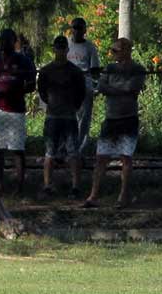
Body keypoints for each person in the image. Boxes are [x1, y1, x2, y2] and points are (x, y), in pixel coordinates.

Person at [83, 38, 146, 208]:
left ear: (126, 50)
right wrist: (120, 91)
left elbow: (132, 88)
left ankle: (123, 196)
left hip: (128, 118)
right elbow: (102, 87)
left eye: (115, 50)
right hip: (111, 118)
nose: (112, 54)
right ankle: (93, 196)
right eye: (112, 50)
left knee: (126, 158)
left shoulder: (138, 69)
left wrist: (113, 90)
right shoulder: (109, 68)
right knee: (101, 158)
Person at [0, 28, 36, 194]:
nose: (5, 43)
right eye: (3, 39)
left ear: (14, 42)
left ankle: (19, 186)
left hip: (16, 109)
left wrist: (16, 91)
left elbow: (31, 85)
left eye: (9, 40)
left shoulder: (24, 61)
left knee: (17, 149)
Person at [37, 35, 86, 199]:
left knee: (73, 152)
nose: (60, 51)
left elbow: (81, 92)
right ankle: (47, 185)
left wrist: (73, 106)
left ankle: (75, 186)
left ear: (67, 49)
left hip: (69, 116)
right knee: (50, 152)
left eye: (62, 48)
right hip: (52, 115)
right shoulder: (45, 71)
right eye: (57, 48)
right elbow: (42, 92)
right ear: (54, 49)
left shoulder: (75, 71)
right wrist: (52, 103)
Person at [67, 17, 100, 155]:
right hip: (67, 86)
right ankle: (67, 149)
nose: (77, 30)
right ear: (71, 29)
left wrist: (93, 83)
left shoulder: (90, 47)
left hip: (85, 85)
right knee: (68, 118)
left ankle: (79, 150)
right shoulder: (66, 44)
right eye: (75, 27)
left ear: (85, 30)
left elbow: (95, 69)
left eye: (80, 28)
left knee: (84, 119)